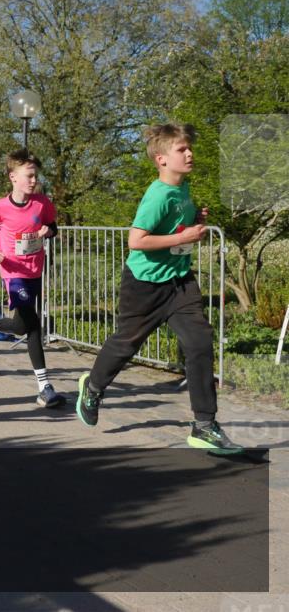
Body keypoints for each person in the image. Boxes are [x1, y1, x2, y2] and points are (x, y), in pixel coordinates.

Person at [76, 123, 243, 453]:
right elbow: (136, 240)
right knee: (126, 344)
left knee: (199, 342)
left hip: (179, 282)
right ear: (161, 159)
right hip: (145, 285)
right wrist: (183, 237)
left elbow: (175, 224)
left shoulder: (182, 188)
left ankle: (204, 426)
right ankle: (92, 388)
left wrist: (193, 218)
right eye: (182, 149)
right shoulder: (157, 195)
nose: (190, 153)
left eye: (188, 148)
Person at [0, 149, 65, 408]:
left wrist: (48, 230)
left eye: (35, 176)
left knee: (21, 326)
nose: (34, 180)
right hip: (12, 272)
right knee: (32, 325)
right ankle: (45, 387)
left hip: (34, 270)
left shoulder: (43, 203)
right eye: (29, 176)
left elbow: (52, 226)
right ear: (13, 176)